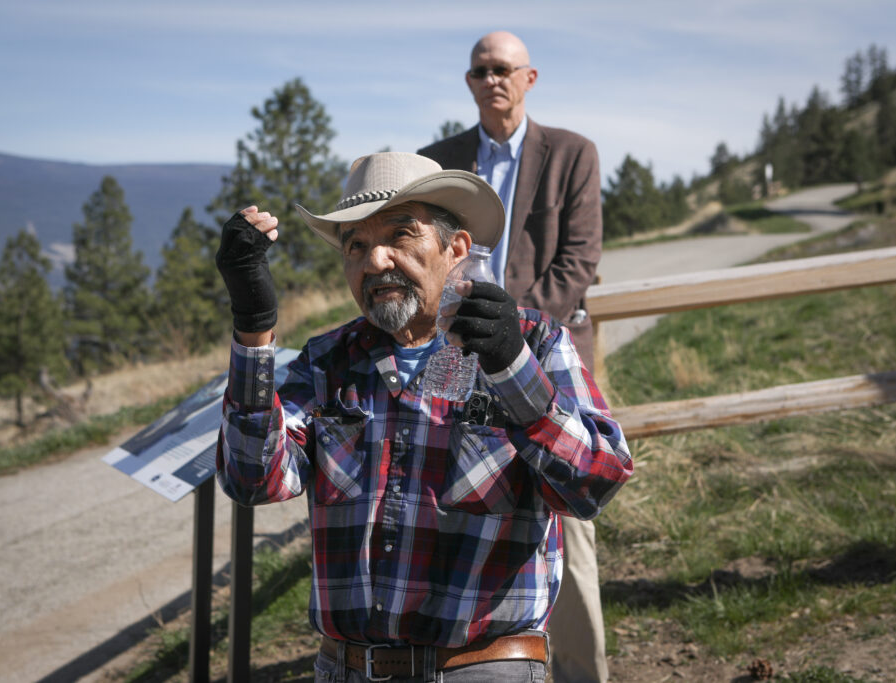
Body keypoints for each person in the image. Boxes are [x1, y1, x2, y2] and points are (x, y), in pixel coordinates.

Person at [215, 151, 631, 682]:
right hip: (346, 670)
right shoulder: (327, 362)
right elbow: (253, 479)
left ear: (455, 248)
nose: (376, 261)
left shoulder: (532, 343)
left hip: (479, 670)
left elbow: (598, 482)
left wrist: (513, 372)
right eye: (357, 246)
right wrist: (253, 328)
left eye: (399, 236)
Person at [418, 31, 609, 682]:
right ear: (467, 83)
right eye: (478, 71)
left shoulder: (573, 154)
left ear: (530, 78)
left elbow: (579, 260)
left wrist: (514, 339)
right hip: (452, 370)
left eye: (502, 69)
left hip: (541, 366)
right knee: (457, 522)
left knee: (566, 526)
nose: (490, 79)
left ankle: (581, 673)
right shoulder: (436, 162)